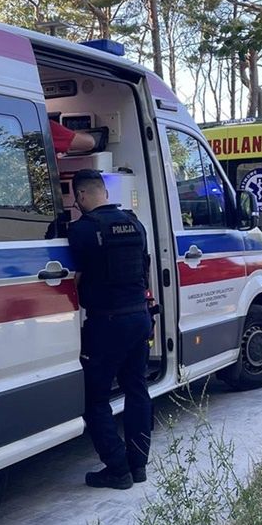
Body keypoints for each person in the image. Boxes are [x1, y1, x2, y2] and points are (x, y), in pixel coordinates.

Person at [67, 168, 153, 489]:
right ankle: (138, 465)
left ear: (80, 196)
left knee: (95, 398)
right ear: (104, 192)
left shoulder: (82, 230)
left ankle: (118, 468)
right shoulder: (135, 224)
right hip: (139, 316)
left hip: (107, 323)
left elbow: (74, 279)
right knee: (137, 389)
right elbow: (143, 269)